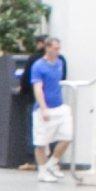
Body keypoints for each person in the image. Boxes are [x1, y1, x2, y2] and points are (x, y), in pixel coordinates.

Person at [29, 34, 77, 183]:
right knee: (41, 141)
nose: (58, 52)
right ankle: (42, 170)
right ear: (47, 48)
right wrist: (43, 108)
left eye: (59, 49)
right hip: (46, 107)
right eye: (55, 49)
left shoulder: (59, 63)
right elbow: (38, 88)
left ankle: (52, 162)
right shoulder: (38, 66)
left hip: (59, 106)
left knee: (67, 136)